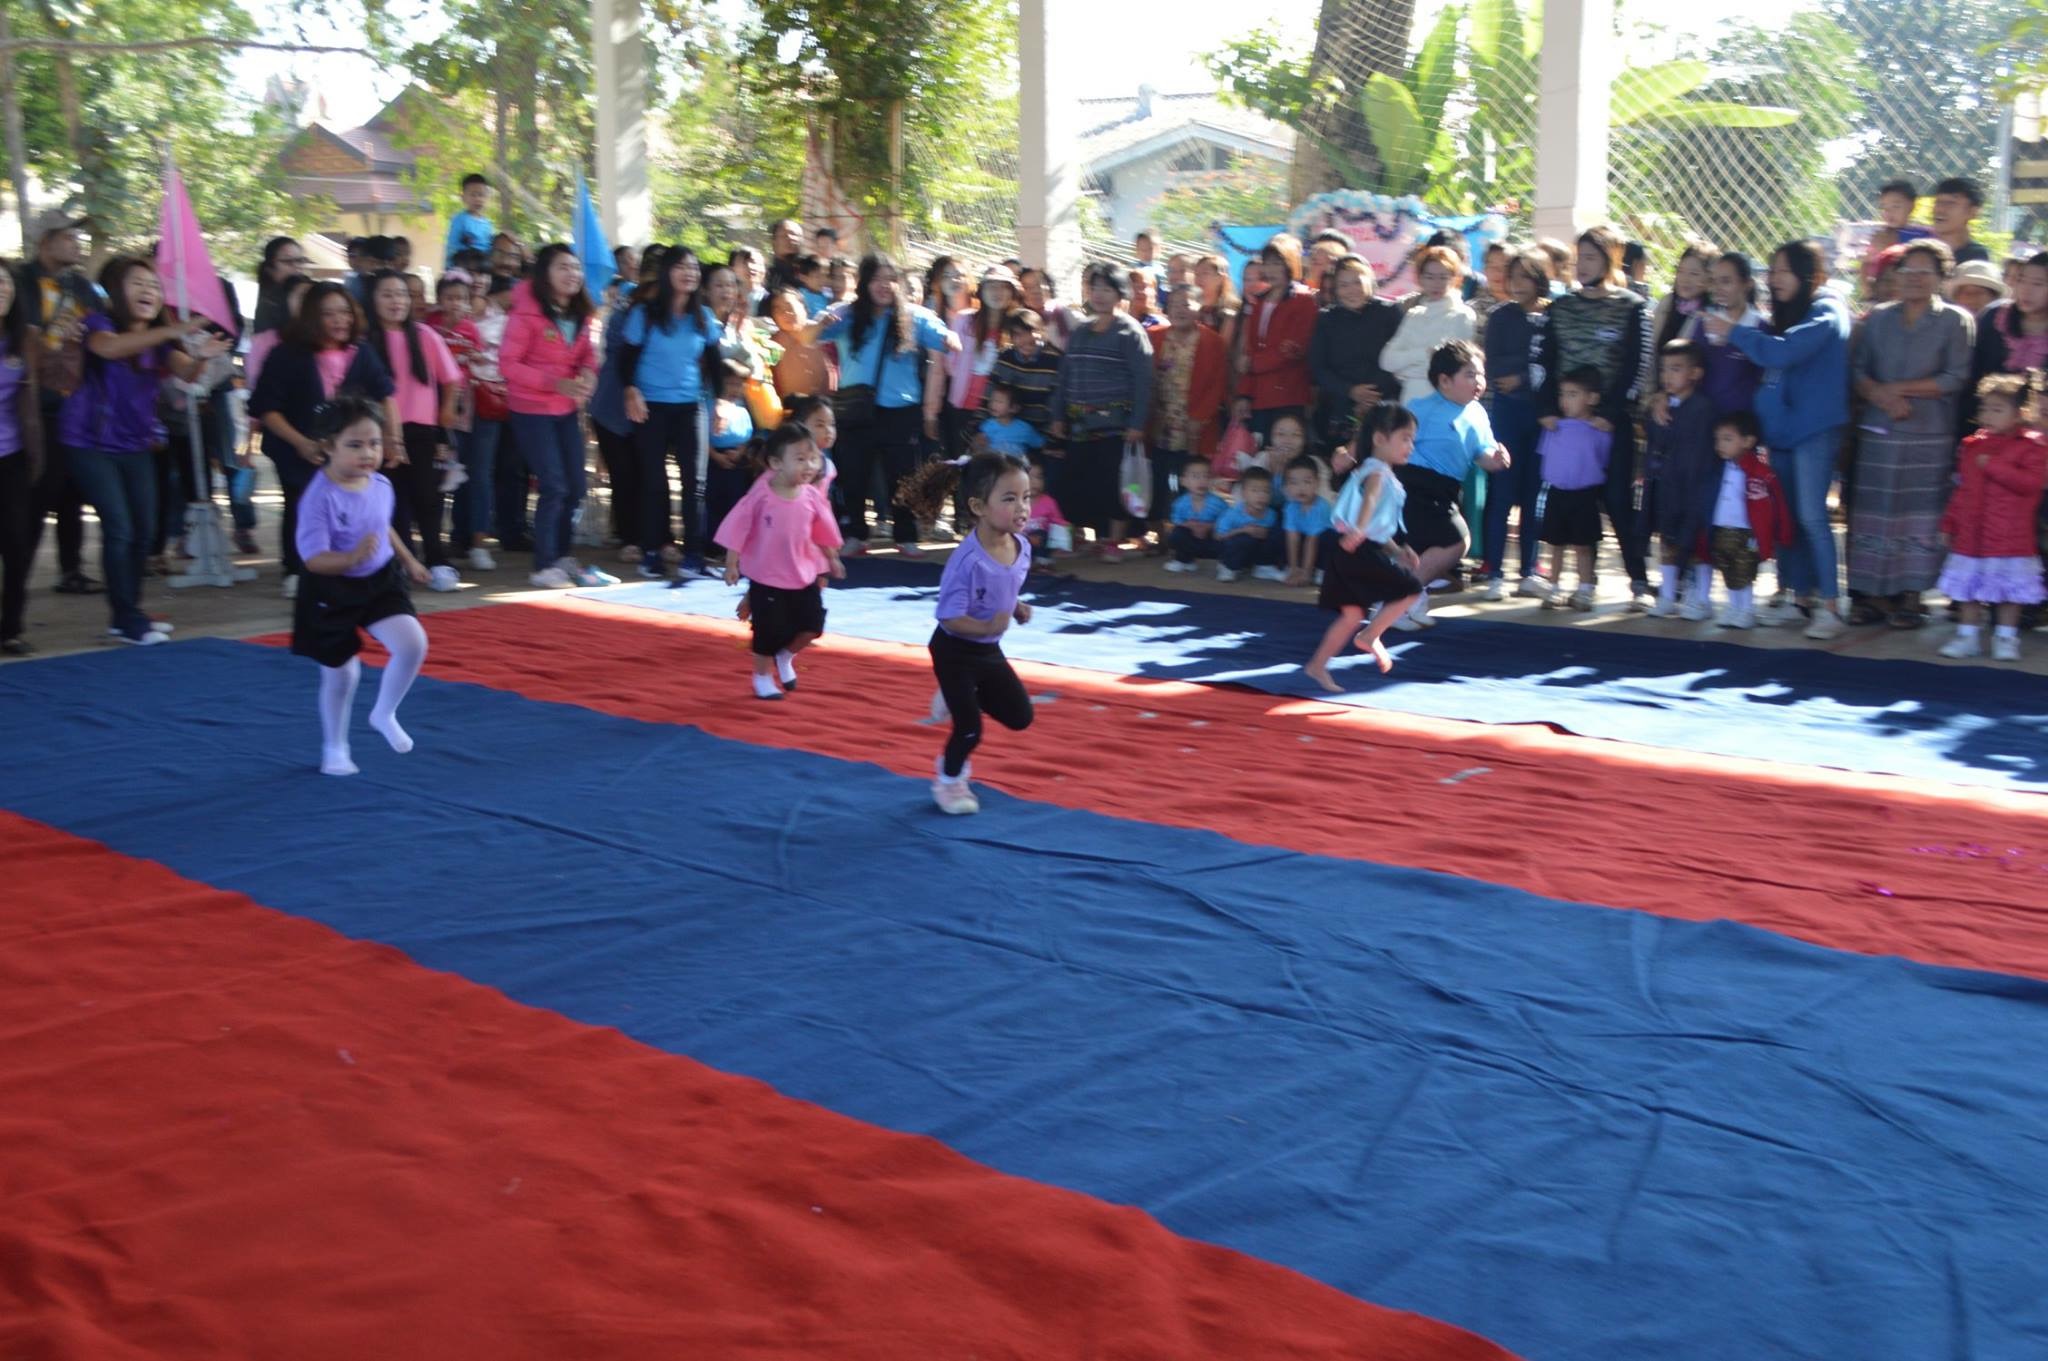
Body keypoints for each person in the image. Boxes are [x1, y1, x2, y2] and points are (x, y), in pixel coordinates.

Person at [60, 257, 224, 645]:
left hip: (135, 445)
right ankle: (126, 617)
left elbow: (187, 374)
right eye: (138, 283)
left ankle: (128, 613)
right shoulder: (98, 323)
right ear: (116, 290)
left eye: (153, 285)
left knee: (144, 530)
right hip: (87, 442)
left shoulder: (160, 340)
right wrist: (173, 329)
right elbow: (110, 349)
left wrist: (202, 356)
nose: (148, 291)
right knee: (119, 527)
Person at [1704, 241, 1852, 639]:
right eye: (1772, 270)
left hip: (1813, 432)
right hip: (1781, 433)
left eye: (1784, 271)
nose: (1774, 279)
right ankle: (1797, 596)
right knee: (1785, 517)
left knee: (1812, 517)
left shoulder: (1827, 311)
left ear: (1810, 276)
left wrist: (1734, 332)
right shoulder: (1785, 314)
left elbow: (1785, 353)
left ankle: (1830, 606)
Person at [288, 395, 430, 776]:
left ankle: (384, 712)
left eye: (374, 443)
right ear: (328, 446)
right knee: (343, 674)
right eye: (355, 445)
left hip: (380, 580)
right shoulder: (319, 498)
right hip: (331, 588)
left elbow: (382, 526)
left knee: (412, 643)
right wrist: (351, 558)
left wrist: (409, 560)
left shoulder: (380, 484)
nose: (368, 453)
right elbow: (313, 559)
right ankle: (335, 746)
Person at [1845, 239, 1973, 628]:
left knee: (1920, 517)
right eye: (1908, 271)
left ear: (1941, 277)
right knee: (1874, 512)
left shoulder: (1955, 321)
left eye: (1924, 272)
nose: (1914, 278)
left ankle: (1911, 598)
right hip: (1879, 432)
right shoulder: (1878, 318)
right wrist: (1879, 395)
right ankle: (1871, 597)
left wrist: (1899, 390)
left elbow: (1955, 377)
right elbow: (1858, 370)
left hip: (1929, 435)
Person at [250, 281, 399, 602]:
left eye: (345, 312)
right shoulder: (286, 354)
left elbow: (386, 395)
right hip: (299, 448)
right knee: (302, 505)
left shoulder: (362, 352)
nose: (339, 320)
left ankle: (352, 563)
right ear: (310, 317)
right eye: (328, 313)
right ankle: (297, 569)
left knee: (356, 504)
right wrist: (301, 442)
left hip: (351, 450)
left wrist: (392, 439)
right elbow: (266, 408)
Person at [908, 451, 1035, 816]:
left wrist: (1015, 605)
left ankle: (958, 696)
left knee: (1020, 716)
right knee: (969, 729)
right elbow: (949, 617)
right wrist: (986, 627)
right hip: (954, 651)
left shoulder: (1022, 547)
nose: (1022, 507)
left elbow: (1003, 587)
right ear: (978, 506)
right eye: (1009, 499)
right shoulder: (967, 561)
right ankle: (949, 781)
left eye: (1026, 497)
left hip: (987, 649)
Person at [814, 252, 959, 556]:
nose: (885, 285)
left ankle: (905, 535)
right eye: (877, 279)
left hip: (901, 413)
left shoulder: (914, 316)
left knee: (903, 477)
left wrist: (950, 339)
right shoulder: (846, 314)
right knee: (853, 476)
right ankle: (856, 533)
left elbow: (946, 338)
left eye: (891, 279)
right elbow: (807, 336)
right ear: (864, 282)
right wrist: (817, 325)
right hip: (856, 410)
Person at [1539, 226, 1650, 608]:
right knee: (1569, 504)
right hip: (1567, 425)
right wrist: (1548, 409)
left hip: (1608, 425)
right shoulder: (1561, 307)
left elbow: (1637, 366)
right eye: (1579, 258)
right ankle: (1577, 583)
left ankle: (1639, 582)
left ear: (1611, 260)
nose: (1582, 265)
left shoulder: (1631, 306)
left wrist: (1611, 413)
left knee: (1618, 501)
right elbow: (1545, 361)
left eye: (1591, 257)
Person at [716, 421, 845, 698]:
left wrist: (832, 558)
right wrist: (731, 564)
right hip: (767, 577)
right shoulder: (760, 495)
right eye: (800, 459)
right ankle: (762, 676)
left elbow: (823, 531)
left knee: (813, 626)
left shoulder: (811, 496)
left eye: (813, 459)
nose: (809, 466)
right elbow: (738, 527)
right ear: (776, 463)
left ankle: (785, 655)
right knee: (768, 631)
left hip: (803, 574)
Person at [500, 242, 602, 589]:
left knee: (575, 487)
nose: (572, 274)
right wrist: (554, 383)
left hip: (565, 410)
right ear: (544, 274)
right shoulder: (525, 314)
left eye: (575, 268)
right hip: (531, 410)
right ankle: (543, 565)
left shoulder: (581, 313)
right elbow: (508, 365)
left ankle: (560, 556)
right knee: (554, 485)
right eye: (563, 267)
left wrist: (588, 373)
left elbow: (588, 356)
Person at [1304, 401, 1426, 689]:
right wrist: (1359, 529)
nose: (1410, 446)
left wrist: (1397, 550)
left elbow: (1375, 526)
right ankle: (1370, 635)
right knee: (1410, 589)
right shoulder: (1377, 472)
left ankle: (1317, 666)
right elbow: (1369, 502)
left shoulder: (1378, 471)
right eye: (1405, 438)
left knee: (1352, 615)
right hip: (1356, 548)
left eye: (1412, 440)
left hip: (1351, 547)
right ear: (1380, 439)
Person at [1396, 339, 1511, 628]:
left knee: (1424, 548)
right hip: (1415, 483)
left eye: (1481, 374)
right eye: (1470, 374)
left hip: (1447, 488)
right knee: (1457, 541)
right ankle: (1399, 600)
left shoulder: (1478, 413)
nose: (1479, 381)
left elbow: (1482, 453)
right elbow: (1393, 438)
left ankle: (1410, 601)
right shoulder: (1422, 408)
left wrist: (1497, 459)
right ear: (1444, 381)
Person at [365, 270, 465, 592]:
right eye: (387, 294)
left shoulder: (424, 335)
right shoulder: (364, 340)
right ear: (372, 299)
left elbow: (452, 379)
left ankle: (437, 559)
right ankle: (400, 562)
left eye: (402, 295)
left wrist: (446, 410)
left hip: (422, 429)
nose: (396, 301)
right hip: (379, 433)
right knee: (390, 499)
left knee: (428, 496)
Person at [1936, 374, 2048, 661]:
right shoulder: (1972, 446)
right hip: (1971, 536)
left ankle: (2006, 638)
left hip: (2010, 538)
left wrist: (1995, 466)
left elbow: (2031, 485)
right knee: (1968, 589)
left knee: (2009, 592)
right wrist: (1949, 523)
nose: (1987, 415)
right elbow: (1962, 490)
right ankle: (1967, 636)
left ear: (2020, 413)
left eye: (1997, 410)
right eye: (1985, 408)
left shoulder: (2032, 447)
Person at [618, 246, 714, 579]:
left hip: (690, 407)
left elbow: (715, 363)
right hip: (651, 407)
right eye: (681, 266)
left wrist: (720, 402)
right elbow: (625, 359)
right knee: (654, 482)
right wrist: (631, 390)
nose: (689, 273)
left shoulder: (703, 316)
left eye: (694, 268)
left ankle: (693, 555)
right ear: (666, 272)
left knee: (694, 483)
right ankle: (651, 552)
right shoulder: (644, 313)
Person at [17, 211, 99, 597]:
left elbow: (97, 329)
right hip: (32, 402)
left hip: (73, 403)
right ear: (45, 242)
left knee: (71, 490)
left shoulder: (81, 286)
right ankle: (17, 577)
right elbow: (24, 337)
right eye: (68, 238)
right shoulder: (19, 280)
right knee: (37, 492)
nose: (76, 245)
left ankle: (71, 570)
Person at [1048, 262, 1153, 558]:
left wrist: (1137, 423)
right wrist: (1057, 414)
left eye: (1107, 289)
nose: (1099, 294)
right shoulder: (1080, 331)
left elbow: (1144, 381)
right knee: (1080, 480)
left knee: (1113, 483)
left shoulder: (1130, 331)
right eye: (1095, 288)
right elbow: (1065, 375)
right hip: (1080, 425)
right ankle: (1089, 537)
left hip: (1117, 425)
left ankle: (1113, 542)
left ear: (1120, 293)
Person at [1480, 248, 1551, 599]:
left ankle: (1529, 571)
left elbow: (1550, 362)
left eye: (1526, 277)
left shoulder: (1552, 317)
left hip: (1541, 416)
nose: (1518, 284)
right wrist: (1524, 372)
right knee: (1502, 491)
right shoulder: (1500, 316)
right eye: (1513, 277)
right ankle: (1494, 572)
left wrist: (1523, 376)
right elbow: (1493, 363)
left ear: (1540, 280)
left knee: (1534, 494)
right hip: (1507, 414)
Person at [1642, 342, 1723, 620]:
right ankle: (1667, 595)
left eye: (1676, 369)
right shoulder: (1661, 407)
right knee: (1668, 541)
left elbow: (1704, 453)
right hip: (1667, 486)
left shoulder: (1704, 408)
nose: (1668, 376)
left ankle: (1701, 598)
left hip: (1696, 486)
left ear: (1695, 373)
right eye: (1664, 369)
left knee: (1699, 544)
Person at [1700, 412, 1794, 631]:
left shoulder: (1760, 472)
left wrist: (1778, 532)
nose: (1720, 445)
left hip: (1746, 532)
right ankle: (1734, 607)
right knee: (1727, 568)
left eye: (1727, 439)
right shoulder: (1717, 470)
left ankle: (1746, 609)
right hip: (1721, 528)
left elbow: (1774, 503)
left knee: (1744, 570)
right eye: (1717, 439)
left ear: (1748, 441)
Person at [1148, 283, 1229, 526]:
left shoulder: (1213, 342)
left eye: (1186, 304)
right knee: (1158, 477)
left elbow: (1218, 384)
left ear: (1199, 307)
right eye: (1174, 304)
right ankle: (1158, 530)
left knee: (1192, 478)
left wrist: (1200, 417)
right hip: (1159, 424)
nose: (1179, 310)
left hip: (1195, 427)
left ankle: (1191, 528)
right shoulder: (1153, 336)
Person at [1535, 368, 1612, 612]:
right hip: (1557, 492)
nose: (1565, 400)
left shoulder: (1599, 430)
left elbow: (1603, 459)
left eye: (1573, 394)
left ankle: (1585, 589)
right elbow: (1546, 456)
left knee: (1583, 545)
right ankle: (1554, 588)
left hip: (1585, 495)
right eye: (1563, 394)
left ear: (1592, 398)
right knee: (1555, 544)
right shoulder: (1553, 427)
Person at [1308, 255, 1402, 453]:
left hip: (1385, 402)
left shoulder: (1390, 312)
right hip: (1339, 406)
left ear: (1370, 281)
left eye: (1357, 282)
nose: (1352, 290)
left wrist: (1371, 396)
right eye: (1343, 285)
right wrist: (1350, 391)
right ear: (1335, 288)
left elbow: (1401, 358)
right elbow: (1318, 367)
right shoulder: (1326, 319)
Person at [1232, 236, 1317, 440]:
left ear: (1290, 264)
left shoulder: (1304, 300)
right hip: (1258, 395)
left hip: (1288, 395)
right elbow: (1251, 350)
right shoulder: (1259, 301)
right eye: (1267, 263)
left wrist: (1253, 363)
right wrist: (1244, 394)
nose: (1271, 269)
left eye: (1277, 263)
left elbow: (1292, 349)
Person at [0, 260, 42, 656]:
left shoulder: (25, 337)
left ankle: (10, 628)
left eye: (6, 281)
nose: (2, 287)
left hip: (12, 455)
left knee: (16, 543)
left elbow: (55, 374)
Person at [1383, 245, 1479, 406]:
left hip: (1444, 400)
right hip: (1409, 400)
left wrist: (1405, 370)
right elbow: (1386, 360)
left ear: (1455, 278)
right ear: (1420, 278)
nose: (1436, 283)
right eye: (1430, 277)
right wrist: (1424, 354)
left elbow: (1452, 368)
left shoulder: (1463, 315)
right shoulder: (1415, 315)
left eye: (1443, 277)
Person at [946, 266, 1019, 455]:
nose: (997, 292)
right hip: (963, 405)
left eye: (1003, 287)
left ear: (1012, 292)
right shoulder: (964, 320)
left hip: (998, 411)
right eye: (991, 286)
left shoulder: (1015, 326)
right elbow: (951, 362)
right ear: (981, 290)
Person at [1683, 252, 1764, 416]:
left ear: (1747, 284)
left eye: (1726, 281)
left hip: (1737, 424)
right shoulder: (1703, 321)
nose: (1717, 289)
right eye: (1714, 281)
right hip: (1699, 418)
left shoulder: (1761, 327)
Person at [1972, 253, 2048, 412]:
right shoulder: (1995, 318)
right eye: (2021, 280)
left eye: (2037, 284)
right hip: (1985, 418)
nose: (2026, 290)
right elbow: (1972, 374)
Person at [705, 358, 756, 543]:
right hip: (714, 459)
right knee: (713, 501)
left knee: (735, 501)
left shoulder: (742, 409)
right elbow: (702, 437)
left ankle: (732, 542)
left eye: (739, 384)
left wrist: (740, 452)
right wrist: (715, 456)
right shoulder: (709, 407)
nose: (735, 389)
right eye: (730, 384)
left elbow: (747, 436)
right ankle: (712, 543)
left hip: (737, 461)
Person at [987, 310, 1061, 434]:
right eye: (1018, 334)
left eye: (1031, 332)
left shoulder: (1055, 361)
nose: (1026, 340)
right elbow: (990, 392)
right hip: (1004, 431)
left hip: (1041, 433)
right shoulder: (1005, 357)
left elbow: (1058, 403)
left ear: (1042, 332)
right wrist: (979, 427)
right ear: (1011, 337)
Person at [1214, 464, 1284, 582]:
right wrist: (1243, 530)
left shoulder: (1271, 514)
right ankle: (1228, 567)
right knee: (1244, 539)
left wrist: (1265, 532)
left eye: (1266, 491)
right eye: (1254, 491)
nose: (1261, 496)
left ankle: (1264, 566)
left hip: (1254, 554)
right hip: (1231, 550)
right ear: (1244, 493)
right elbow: (1218, 536)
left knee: (1278, 531)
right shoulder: (1233, 514)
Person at [768, 288, 833, 400]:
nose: (786, 313)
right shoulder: (771, 345)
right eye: (779, 310)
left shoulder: (828, 339)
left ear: (805, 309)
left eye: (789, 307)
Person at [1164, 456, 1225, 570]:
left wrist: (1209, 526)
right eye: (1195, 476)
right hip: (1191, 537)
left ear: (1212, 480)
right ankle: (1184, 560)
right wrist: (1190, 525)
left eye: (1206, 476)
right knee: (1177, 534)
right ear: (1183, 481)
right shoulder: (1180, 503)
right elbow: (1176, 521)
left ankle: (1227, 564)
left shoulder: (1218, 503)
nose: (1201, 481)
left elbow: (1227, 522)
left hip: (1210, 538)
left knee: (1226, 539)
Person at [1281, 453, 1333, 586]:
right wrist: (1293, 569)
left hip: (1324, 544)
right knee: (1281, 534)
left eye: (1307, 482)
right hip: (1308, 543)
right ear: (1287, 486)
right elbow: (1292, 538)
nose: (1301, 488)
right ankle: (1297, 569)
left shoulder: (1321, 507)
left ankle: (1320, 569)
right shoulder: (1290, 507)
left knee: (1327, 538)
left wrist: (1306, 574)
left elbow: (1312, 540)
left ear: (1317, 483)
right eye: (1294, 483)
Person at [1930, 177, 1990, 266]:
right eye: (1937, 202)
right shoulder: (1921, 252)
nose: (1940, 209)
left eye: (1950, 203)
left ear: (1973, 212)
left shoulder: (1975, 257)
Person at [1021, 458, 1070, 566]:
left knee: (1042, 534)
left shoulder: (1048, 502)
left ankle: (1042, 559)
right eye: (1029, 477)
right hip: (1020, 541)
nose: (1034, 482)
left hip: (1040, 542)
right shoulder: (1015, 502)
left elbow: (1058, 523)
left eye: (1039, 477)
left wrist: (1064, 539)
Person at [978, 383, 1044, 460]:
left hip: (1015, 464)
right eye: (992, 400)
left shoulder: (1025, 429)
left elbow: (1040, 444)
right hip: (993, 462)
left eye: (999, 401)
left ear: (1014, 408)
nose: (993, 404)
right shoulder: (988, 425)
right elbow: (980, 444)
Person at [1192, 252, 1241, 353]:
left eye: (1205, 273)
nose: (1199, 278)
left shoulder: (1230, 311)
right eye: (1196, 274)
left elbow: (1222, 348)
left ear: (1221, 278)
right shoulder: (1191, 305)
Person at [1868, 180, 1930, 257]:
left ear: (1911, 206)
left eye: (1895, 206)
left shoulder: (1922, 236)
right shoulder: (1880, 236)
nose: (1889, 212)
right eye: (1884, 207)